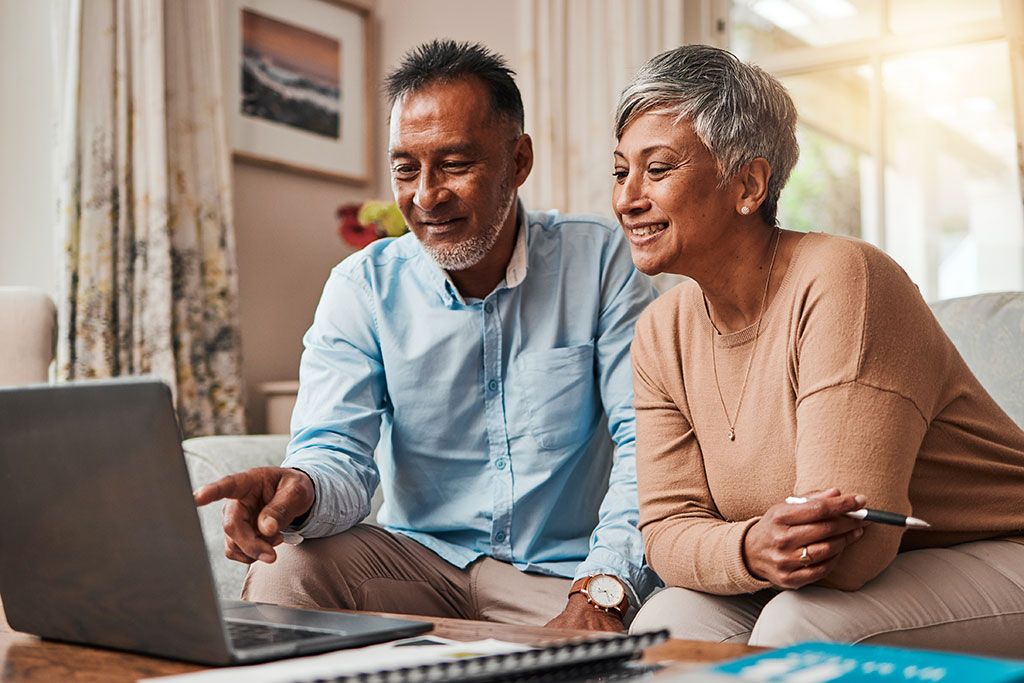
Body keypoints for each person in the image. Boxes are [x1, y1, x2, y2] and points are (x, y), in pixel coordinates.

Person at [194, 40, 658, 631]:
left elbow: (648, 445)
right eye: (406, 168)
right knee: (288, 567)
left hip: (562, 576)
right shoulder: (362, 287)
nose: (426, 195)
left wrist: (601, 592)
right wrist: (299, 486)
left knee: (661, 630)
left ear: (518, 162)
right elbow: (336, 450)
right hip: (418, 566)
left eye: (456, 164)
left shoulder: (599, 262)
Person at [613, 44, 1024, 655]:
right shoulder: (659, 333)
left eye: (659, 168)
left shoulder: (845, 279)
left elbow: (851, 552)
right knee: (664, 627)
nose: (627, 198)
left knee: (799, 627)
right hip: (813, 576)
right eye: (621, 171)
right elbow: (667, 533)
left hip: (997, 550)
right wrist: (751, 547)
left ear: (748, 183)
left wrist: (738, 546)